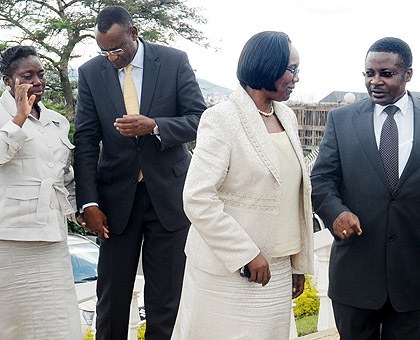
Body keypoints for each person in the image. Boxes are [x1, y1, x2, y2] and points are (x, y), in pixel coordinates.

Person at [73, 5, 206, 340]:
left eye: (116, 49)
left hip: (169, 199)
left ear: (134, 33)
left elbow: (200, 119)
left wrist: (156, 126)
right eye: (103, 51)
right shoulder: (90, 73)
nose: (111, 58)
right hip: (116, 203)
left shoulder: (174, 61)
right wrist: (88, 203)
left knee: (166, 303)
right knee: (111, 301)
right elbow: (86, 140)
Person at [171, 31, 314, 340]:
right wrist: (246, 254)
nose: (296, 78)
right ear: (266, 66)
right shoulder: (221, 118)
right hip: (230, 271)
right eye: (291, 69)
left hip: (277, 272)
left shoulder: (287, 117)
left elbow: (293, 195)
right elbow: (197, 198)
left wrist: (297, 262)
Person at [311, 37, 420, 339]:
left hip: (413, 279)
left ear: (407, 74)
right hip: (355, 276)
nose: (375, 81)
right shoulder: (341, 119)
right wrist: (335, 212)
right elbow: (321, 179)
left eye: (386, 73)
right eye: (369, 73)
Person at [0, 46, 81, 339]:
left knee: (60, 324)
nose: (37, 80)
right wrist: (19, 118)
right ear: (8, 81)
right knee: (14, 325)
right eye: (27, 75)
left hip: (52, 235)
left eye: (41, 73)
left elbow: (63, 175)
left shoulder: (58, 121)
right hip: (11, 238)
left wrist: (80, 212)